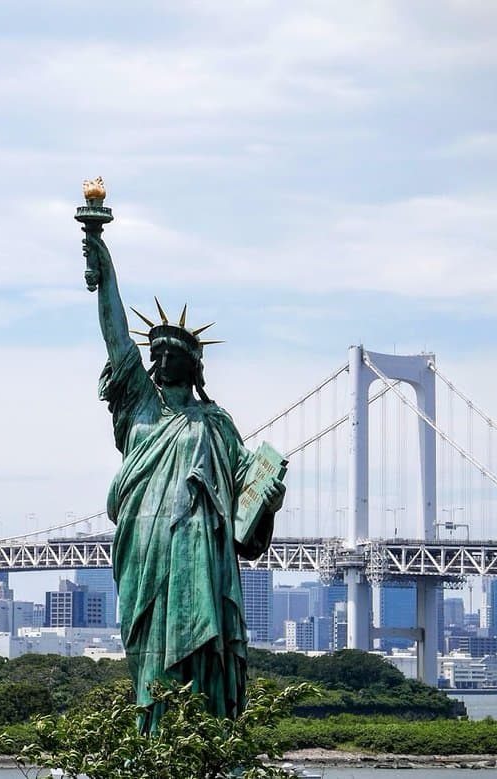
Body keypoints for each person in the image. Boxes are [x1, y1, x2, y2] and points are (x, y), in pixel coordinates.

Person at [83, 232, 286, 732]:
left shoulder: (217, 423)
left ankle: (206, 734)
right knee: (148, 648)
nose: (163, 354)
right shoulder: (141, 408)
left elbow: (245, 495)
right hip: (145, 548)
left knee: (201, 647)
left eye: (174, 350)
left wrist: (271, 501)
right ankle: (152, 735)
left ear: (194, 363)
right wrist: (102, 262)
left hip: (202, 555)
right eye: (157, 348)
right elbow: (115, 335)